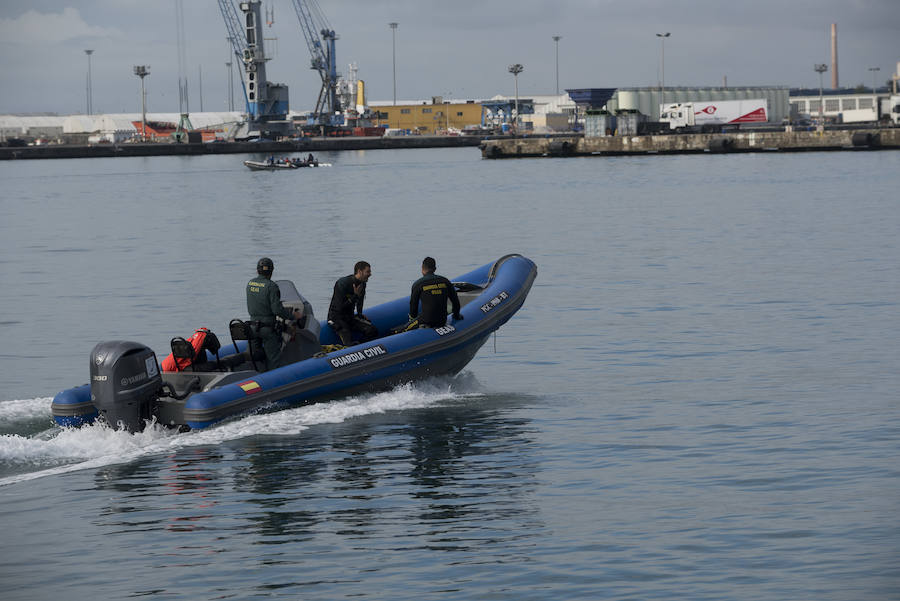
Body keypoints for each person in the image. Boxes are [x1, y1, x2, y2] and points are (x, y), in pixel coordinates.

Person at [246, 257, 303, 370]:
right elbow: (277, 310)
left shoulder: (250, 283)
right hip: (267, 329)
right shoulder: (271, 286)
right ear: (271, 271)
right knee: (274, 360)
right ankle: (274, 381)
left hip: (252, 327)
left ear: (257, 270)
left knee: (252, 358)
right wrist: (292, 316)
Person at [328, 261, 378, 345]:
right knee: (348, 340)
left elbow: (360, 302)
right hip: (336, 318)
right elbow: (339, 308)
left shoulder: (362, 284)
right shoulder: (342, 283)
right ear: (359, 271)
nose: (370, 274)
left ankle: (361, 347)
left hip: (349, 317)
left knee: (372, 331)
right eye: (368, 272)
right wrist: (354, 296)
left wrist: (359, 314)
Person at [409, 256, 463, 328]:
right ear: (435, 269)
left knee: (399, 330)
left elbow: (413, 307)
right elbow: (456, 302)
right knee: (447, 308)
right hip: (442, 321)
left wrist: (412, 321)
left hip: (426, 321)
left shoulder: (418, 284)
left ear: (422, 268)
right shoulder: (445, 281)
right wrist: (456, 315)